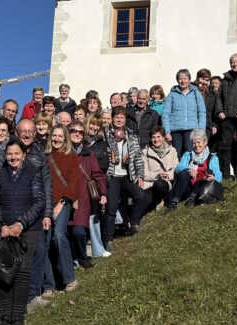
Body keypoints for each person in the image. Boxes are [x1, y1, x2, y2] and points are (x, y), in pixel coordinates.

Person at [0, 140, 45, 325]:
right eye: (9, 154)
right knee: (2, 273)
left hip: (27, 231)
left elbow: (39, 202)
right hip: (4, 230)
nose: (13, 157)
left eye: (16, 154)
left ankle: (17, 317)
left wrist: (21, 223)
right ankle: (3, 317)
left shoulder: (33, 172)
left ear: (23, 155)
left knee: (22, 273)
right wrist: (2, 225)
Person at [16, 119, 54, 301]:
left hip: (37, 211)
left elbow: (47, 185)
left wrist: (47, 213)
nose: (27, 134)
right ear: (17, 133)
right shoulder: (7, 153)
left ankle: (33, 293)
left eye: (30, 131)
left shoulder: (39, 154)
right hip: (13, 211)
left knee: (38, 250)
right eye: (23, 131)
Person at [102, 107, 148, 250]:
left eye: (122, 117)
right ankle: (108, 239)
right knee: (111, 208)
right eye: (116, 117)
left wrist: (140, 175)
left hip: (128, 174)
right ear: (112, 118)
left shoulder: (131, 136)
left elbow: (138, 158)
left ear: (125, 119)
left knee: (140, 196)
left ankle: (134, 222)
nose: (119, 120)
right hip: (112, 176)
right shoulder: (105, 134)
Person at [45, 124, 84, 292]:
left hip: (64, 202)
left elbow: (75, 182)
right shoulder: (45, 156)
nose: (57, 139)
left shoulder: (72, 156)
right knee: (45, 241)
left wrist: (60, 205)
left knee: (60, 235)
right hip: (47, 203)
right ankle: (48, 285)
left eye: (61, 136)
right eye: (54, 136)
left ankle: (69, 279)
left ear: (65, 138)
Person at [69, 121, 108, 265]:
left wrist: (103, 193)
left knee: (79, 231)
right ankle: (70, 259)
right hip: (64, 199)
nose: (77, 134)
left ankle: (82, 257)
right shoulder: (61, 152)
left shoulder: (88, 154)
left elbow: (97, 174)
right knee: (66, 232)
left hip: (83, 197)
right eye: (74, 131)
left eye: (80, 132)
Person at [166, 129, 224, 209]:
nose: (196, 145)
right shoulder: (187, 155)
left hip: (201, 189)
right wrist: (188, 169)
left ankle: (192, 198)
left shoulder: (213, 158)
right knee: (183, 172)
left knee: (208, 171)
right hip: (187, 187)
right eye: (194, 142)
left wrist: (214, 177)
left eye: (199, 142)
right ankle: (173, 202)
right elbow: (178, 168)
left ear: (205, 142)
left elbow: (219, 174)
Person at [161, 68, 206, 157]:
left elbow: (202, 112)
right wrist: (167, 132)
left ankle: (190, 171)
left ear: (189, 80)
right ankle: (178, 171)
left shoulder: (196, 93)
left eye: (185, 78)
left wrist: (201, 131)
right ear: (177, 80)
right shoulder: (172, 95)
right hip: (176, 130)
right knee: (176, 154)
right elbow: (165, 114)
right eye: (180, 78)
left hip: (192, 129)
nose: (183, 81)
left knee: (190, 154)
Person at [141, 126, 179, 211]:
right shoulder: (144, 152)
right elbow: (144, 174)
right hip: (150, 183)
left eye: (158, 137)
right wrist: (157, 174)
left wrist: (168, 175)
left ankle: (161, 199)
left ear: (163, 138)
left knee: (160, 184)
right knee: (145, 203)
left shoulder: (172, 150)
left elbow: (176, 168)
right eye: (153, 137)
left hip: (165, 181)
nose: (156, 140)